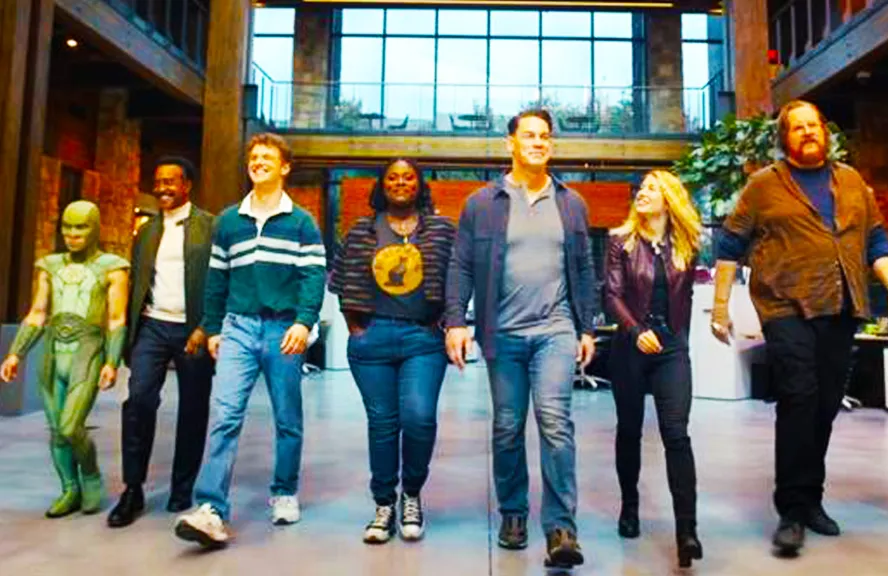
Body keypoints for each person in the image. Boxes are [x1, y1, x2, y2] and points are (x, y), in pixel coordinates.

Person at [710, 100, 888, 555]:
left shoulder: (852, 181)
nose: (806, 132)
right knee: (798, 398)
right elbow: (730, 244)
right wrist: (720, 307)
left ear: (825, 132)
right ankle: (792, 510)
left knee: (824, 405)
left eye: (813, 125)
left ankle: (811, 497)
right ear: (784, 138)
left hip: (841, 305)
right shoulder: (764, 185)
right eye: (796, 127)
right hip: (785, 307)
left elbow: (876, 239)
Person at [445, 109, 596, 569]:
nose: (538, 142)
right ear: (510, 143)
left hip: (556, 329)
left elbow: (584, 267)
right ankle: (513, 512)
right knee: (508, 426)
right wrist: (456, 321)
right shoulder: (482, 203)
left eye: (545, 136)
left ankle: (561, 527)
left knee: (555, 421)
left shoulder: (570, 203)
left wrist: (587, 327)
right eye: (528, 135)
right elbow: (461, 264)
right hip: (503, 333)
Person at [173, 133, 326, 549]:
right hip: (238, 328)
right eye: (253, 157)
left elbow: (313, 276)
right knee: (224, 415)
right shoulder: (229, 221)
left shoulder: (302, 222)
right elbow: (216, 279)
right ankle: (211, 508)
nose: (258, 162)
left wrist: (304, 322)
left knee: (287, 417)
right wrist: (213, 328)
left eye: (267, 157)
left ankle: (285, 491)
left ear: (284, 167)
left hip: (283, 330)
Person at [329, 158, 456, 543]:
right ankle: (384, 504)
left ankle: (411, 494)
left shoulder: (441, 230)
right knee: (382, 424)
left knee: (419, 417)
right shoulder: (362, 230)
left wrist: (447, 320)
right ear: (382, 185)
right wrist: (355, 328)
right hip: (374, 338)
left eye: (408, 177)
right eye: (393, 177)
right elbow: (342, 277)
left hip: (423, 338)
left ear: (419, 184)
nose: (401, 183)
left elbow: (458, 277)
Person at [0, 201, 129, 517]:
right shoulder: (50, 265)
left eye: (80, 226)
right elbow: (37, 313)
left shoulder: (112, 267)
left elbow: (116, 318)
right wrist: (15, 353)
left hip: (87, 352)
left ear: (95, 228)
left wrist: (112, 361)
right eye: (67, 227)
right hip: (53, 353)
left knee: (71, 427)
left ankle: (91, 474)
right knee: (58, 429)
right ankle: (69, 489)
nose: (72, 234)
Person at [107, 157, 215, 528]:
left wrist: (207, 326)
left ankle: (182, 487)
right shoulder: (147, 231)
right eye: (158, 181)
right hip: (152, 326)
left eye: (170, 181)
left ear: (187, 185)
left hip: (193, 329)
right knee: (138, 400)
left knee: (193, 408)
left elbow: (221, 279)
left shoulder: (209, 226)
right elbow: (138, 281)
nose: (162, 188)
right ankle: (132, 489)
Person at [604, 170, 704, 568]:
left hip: (672, 350)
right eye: (641, 188)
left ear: (669, 199)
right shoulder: (620, 241)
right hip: (631, 348)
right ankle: (630, 506)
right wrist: (635, 330)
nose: (642, 193)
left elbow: (687, 296)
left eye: (651, 188)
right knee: (629, 430)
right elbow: (611, 295)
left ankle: (687, 531)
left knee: (676, 434)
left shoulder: (686, 244)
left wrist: (681, 337)